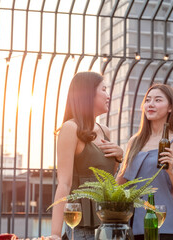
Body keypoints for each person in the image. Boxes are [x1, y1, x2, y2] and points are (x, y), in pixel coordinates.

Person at [50, 72, 123, 240]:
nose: (108, 95)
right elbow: (64, 183)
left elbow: (109, 180)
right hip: (82, 225)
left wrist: (120, 157)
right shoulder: (70, 128)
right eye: (103, 89)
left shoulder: (105, 130)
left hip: (108, 222)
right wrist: (54, 234)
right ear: (88, 94)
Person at [116, 84, 173, 240]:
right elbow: (119, 185)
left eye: (157, 100)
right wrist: (118, 160)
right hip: (131, 224)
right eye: (148, 100)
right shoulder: (134, 142)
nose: (150, 104)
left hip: (163, 224)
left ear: (170, 107)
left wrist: (170, 172)